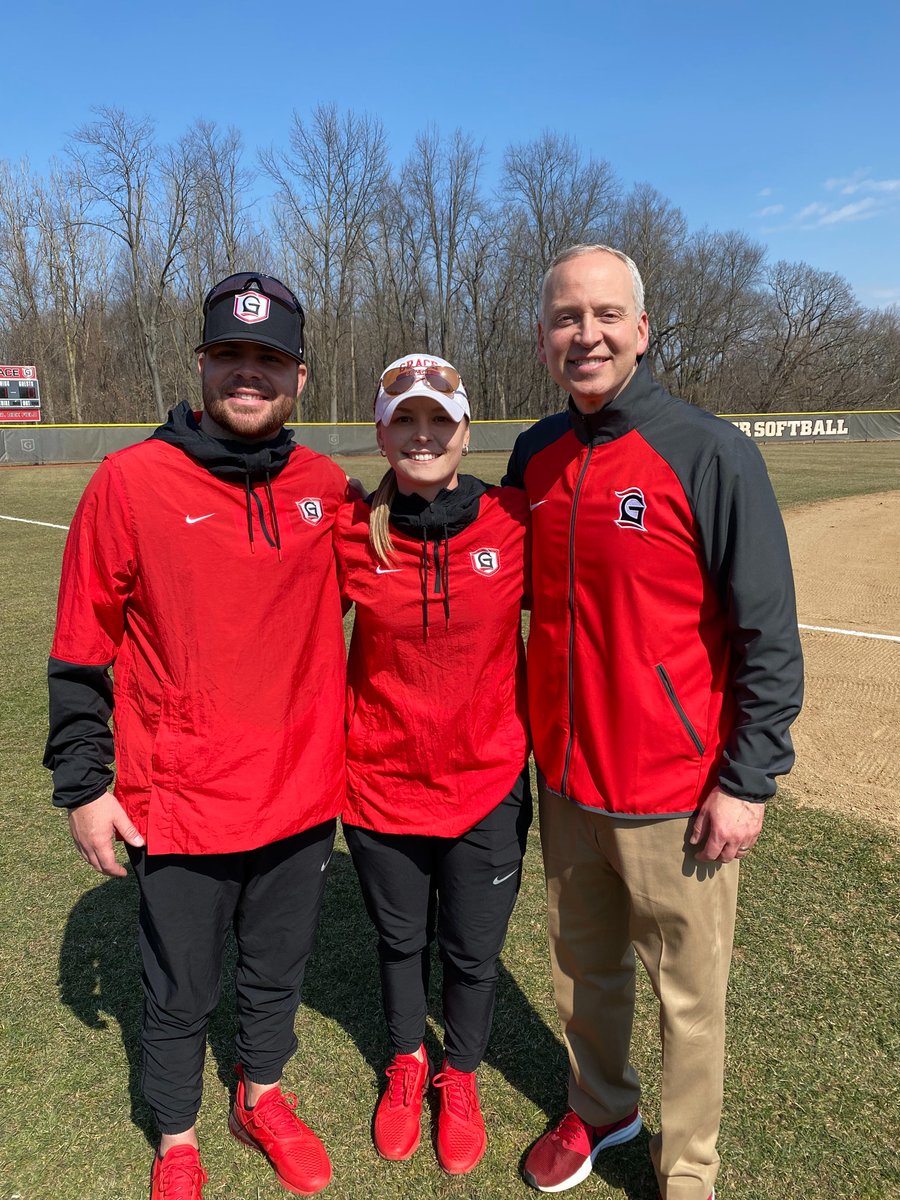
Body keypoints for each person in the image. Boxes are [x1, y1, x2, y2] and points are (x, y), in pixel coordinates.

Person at [504, 245, 803, 1200]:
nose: (583, 334)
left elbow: (769, 634)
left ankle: (689, 1172)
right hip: (566, 782)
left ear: (641, 328)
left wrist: (747, 780)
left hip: (677, 791)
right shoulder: (535, 453)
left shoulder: (709, 451)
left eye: (603, 315)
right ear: (544, 339)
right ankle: (602, 1108)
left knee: (690, 999)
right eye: (564, 317)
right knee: (583, 972)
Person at [44, 272, 349, 1199]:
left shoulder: (326, 487)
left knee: (276, 971)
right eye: (231, 356)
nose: (247, 375)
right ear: (203, 363)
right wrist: (84, 787)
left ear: (298, 374)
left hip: (299, 790)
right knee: (180, 990)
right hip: (178, 797)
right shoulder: (130, 482)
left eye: (268, 359)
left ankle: (260, 1095)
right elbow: (78, 649)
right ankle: (176, 1138)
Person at [333, 353, 531, 1175]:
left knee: (473, 953)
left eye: (437, 421)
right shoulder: (347, 530)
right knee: (399, 940)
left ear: (465, 431)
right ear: (381, 431)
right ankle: (409, 1063)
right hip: (380, 783)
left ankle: (461, 1074)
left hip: (486, 783)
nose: (422, 436)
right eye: (405, 420)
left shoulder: (516, 520)